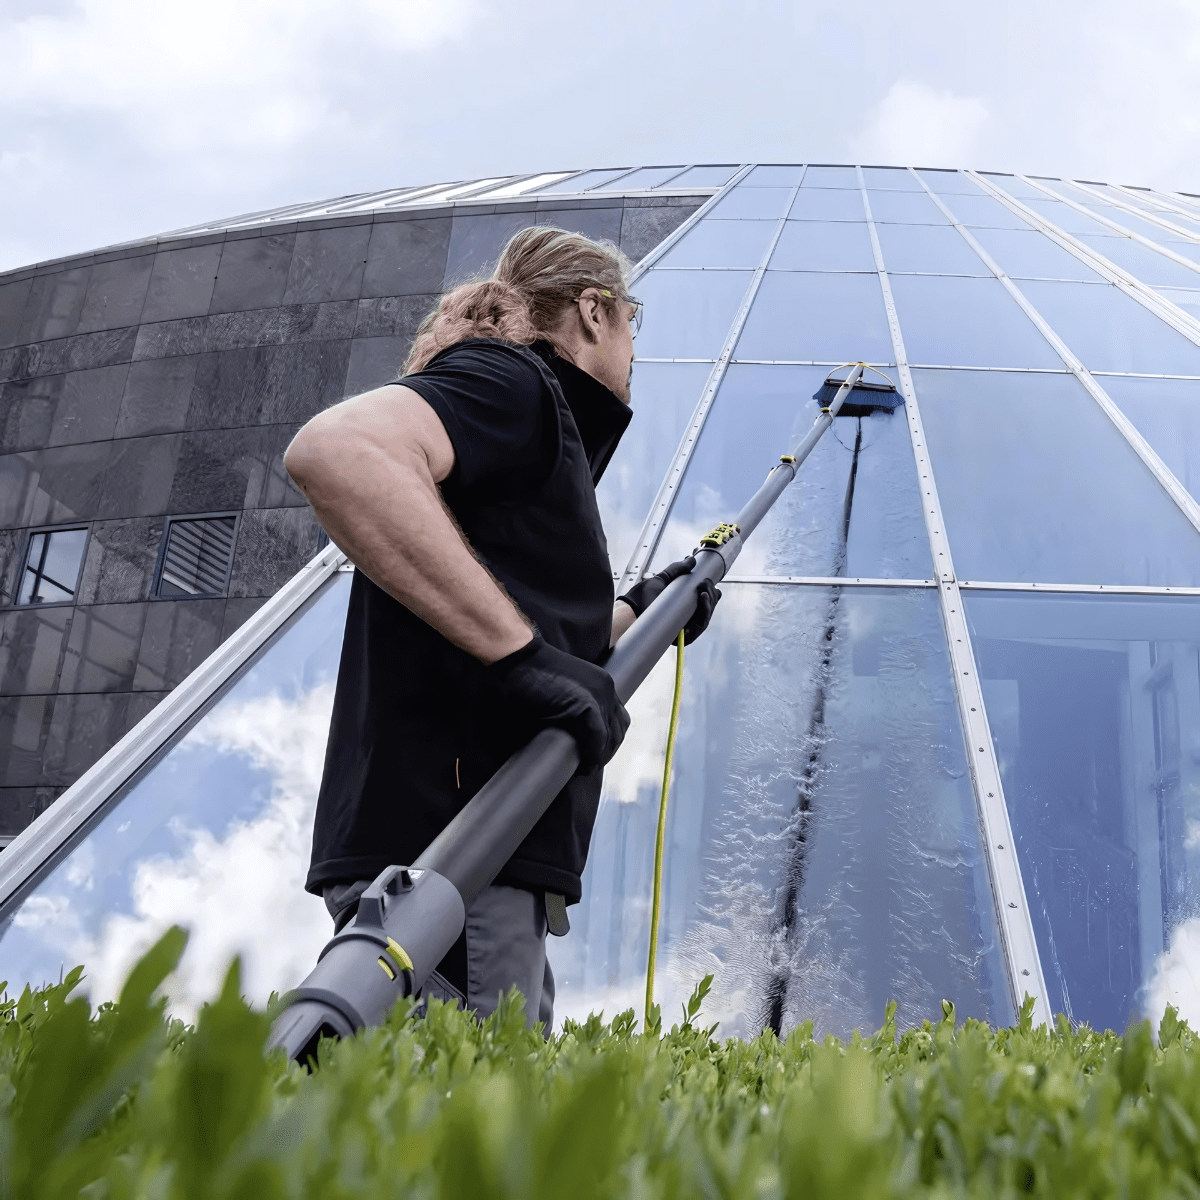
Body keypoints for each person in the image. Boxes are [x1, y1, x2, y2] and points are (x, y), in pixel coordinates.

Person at [284, 226, 719, 1031]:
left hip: (461, 856)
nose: (634, 348)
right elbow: (336, 450)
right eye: (634, 320)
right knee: (470, 1134)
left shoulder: (530, 426)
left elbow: (532, 643)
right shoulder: (514, 383)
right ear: (594, 312)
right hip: (454, 861)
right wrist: (520, 659)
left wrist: (650, 609)